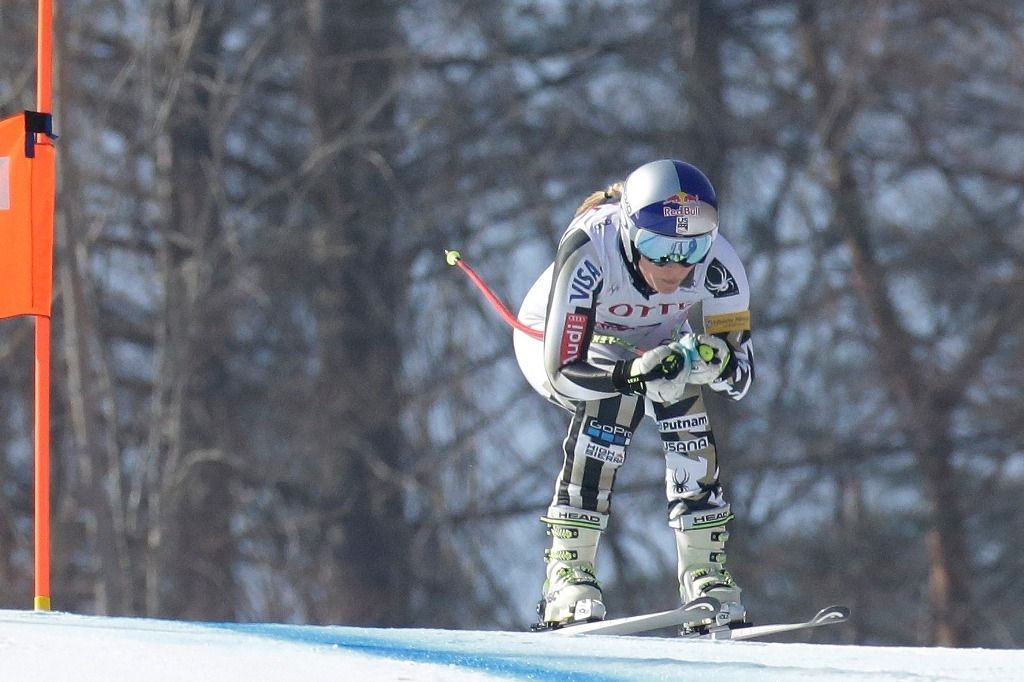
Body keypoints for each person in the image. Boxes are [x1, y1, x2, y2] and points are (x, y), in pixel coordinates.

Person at [513, 159, 754, 631]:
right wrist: (632, 375)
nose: (676, 264)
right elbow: (563, 370)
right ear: (628, 231)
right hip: (559, 341)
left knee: (684, 387)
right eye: (657, 246)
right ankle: (569, 572)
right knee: (614, 403)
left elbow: (741, 377)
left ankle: (705, 571)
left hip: (649, 345)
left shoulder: (720, 265)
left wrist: (714, 359)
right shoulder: (591, 249)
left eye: (693, 245)